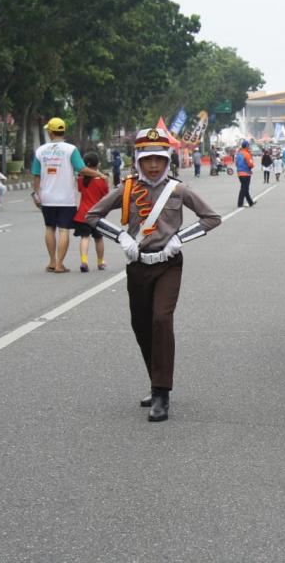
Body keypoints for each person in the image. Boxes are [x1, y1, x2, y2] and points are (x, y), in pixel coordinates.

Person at [85, 127, 221, 422]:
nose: (154, 165)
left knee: (162, 319)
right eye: (148, 159)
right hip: (138, 265)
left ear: (168, 159)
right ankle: (154, 379)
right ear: (138, 161)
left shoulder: (178, 190)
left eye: (159, 159)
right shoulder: (127, 189)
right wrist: (122, 238)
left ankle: (162, 392)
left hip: (168, 264)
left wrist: (178, 239)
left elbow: (212, 218)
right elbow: (91, 216)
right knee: (142, 325)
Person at [31, 117, 106, 273]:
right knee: (64, 230)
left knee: (49, 228)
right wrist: (99, 174)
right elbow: (82, 169)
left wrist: (36, 194)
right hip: (65, 198)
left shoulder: (40, 150)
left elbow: (36, 175)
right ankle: (60, 264)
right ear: (63, 131)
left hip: (47, 197)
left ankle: (52, 262)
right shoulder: (70, 149)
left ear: (51, 132)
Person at [74, 152, 109, 272]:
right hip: (97, 215)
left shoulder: (80, 179)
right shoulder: (102, 180)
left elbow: (80, 190)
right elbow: (105, 195)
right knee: (98, 238)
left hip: (83, 215)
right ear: (97, 163)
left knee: (84, 238)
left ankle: (84, 261)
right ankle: (100, 262)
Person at [235, 140, 255, 207]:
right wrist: (252, 164)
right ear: (246, 146)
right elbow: (250, 164)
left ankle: (250, 202)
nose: (249, 147)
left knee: (245, 188)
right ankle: (240, 203)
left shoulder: (238, 154)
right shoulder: (247, 154)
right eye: (248, 145)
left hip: (239, 173)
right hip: (246, 173)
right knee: (244, 188)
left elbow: (236, 163)